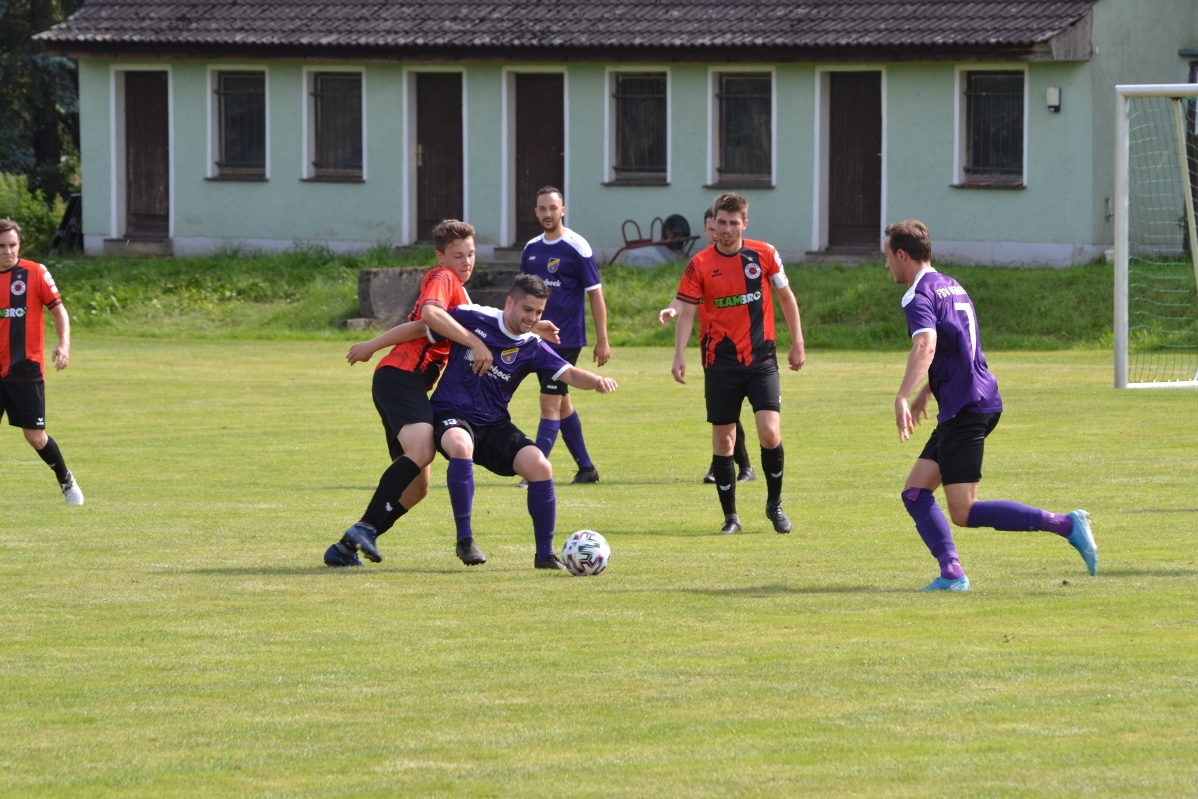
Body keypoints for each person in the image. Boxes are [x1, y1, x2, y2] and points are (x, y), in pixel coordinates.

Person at [885, 219, 1097, 591]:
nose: (886, 264)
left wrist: (903, 395)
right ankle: (952, 574)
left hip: (966, 407)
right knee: (915, 492)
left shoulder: (917, 295)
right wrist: (926, 391)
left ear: (902, 255)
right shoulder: (951, 285)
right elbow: (958, 348)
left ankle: (1066, 524)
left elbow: (926, 345)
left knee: (964, 510)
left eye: (887, 256)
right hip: (972, 400)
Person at [323, 220, 496, 567]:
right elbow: (428, 317)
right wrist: (373, 345)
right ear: (441, 257)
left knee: (417, 488)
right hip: (401, 376)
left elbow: (424, 326)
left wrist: (530, 326)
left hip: (403, 382)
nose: (466, 262)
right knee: (422, 450)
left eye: (471, 254)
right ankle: (365, 527)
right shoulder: (442, 277)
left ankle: (344, 548)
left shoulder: (461, 297)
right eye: (458, 255)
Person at [429, 274, 617, 569]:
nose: (532, 317)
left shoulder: (532, 346)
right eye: (527, 309)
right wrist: (375, 344)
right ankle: (465, 540)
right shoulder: (472, 315)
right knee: (461, 445)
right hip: (450, 411)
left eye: (539, 312)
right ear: (510, 302)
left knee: (541, 466)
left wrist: (596, 381)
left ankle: (544, 555)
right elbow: (429, 322)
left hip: (494, 423)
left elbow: (568, 373)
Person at [669, 193, 805, 534]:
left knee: (769, 432)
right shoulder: (699, 264)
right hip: (719, 364)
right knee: (724, 442)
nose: (727, 229)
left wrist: (798, 342)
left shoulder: (764, 254)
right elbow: (687, 312)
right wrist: (679, 354)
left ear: (744, 223)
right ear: (713, 224)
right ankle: (731, 517)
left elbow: (786, 297)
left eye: (733, 223)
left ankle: (775, 505)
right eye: (721, 222)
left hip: (761, 360)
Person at [518, 186, 609, 484]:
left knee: (549, 403)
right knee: (561, 403)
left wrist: (602, 339)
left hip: (566, 339)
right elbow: (521, 295)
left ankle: (533, 472)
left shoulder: (577, 247)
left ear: (563, 210)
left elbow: (595, 295)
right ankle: (587, 468)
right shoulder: (531, 248)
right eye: (542, 209)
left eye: (553, 208)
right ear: (536, 212)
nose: (548, 214)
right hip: (536, 339)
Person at [662, 207, 755, 485]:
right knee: (722, 410)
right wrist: (672, 310)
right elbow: (683, 299)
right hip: (713, 347)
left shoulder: (741, 261)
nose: (719, 233)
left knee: (727, 411)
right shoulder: (701, 265)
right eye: (713, 228)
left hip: (744, 346)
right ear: (706, 230)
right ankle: (736, 465)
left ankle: (730, 465)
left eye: (724, 226)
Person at [0, 218, 83, 505]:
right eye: (1, 246)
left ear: (19, 244)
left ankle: (65, 479)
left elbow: (59, 311)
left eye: (12, 245)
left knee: (35, 436)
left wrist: (64, 344)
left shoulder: (35, 273)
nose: (7, 251)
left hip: (25, 367)